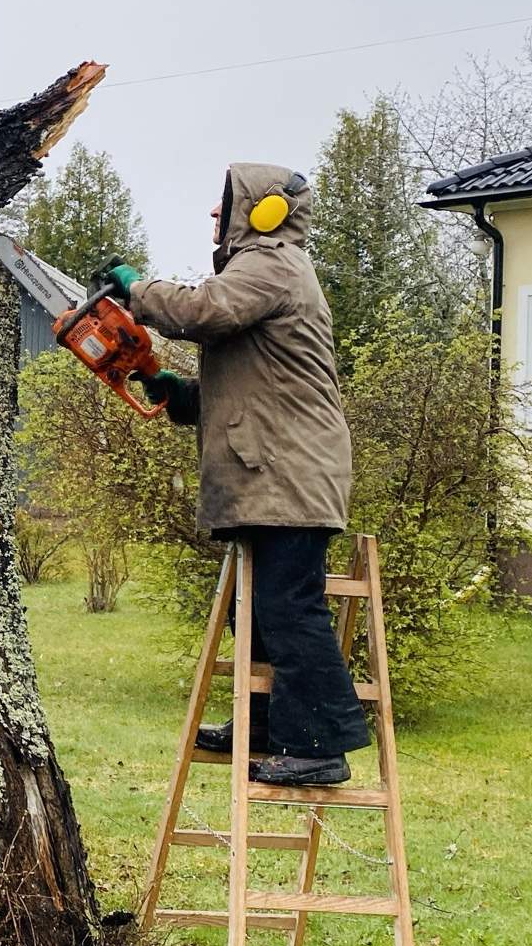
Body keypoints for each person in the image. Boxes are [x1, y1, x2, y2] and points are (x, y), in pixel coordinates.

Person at [101, 162, 368, 786]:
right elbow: (253, 389)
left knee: (289, 607)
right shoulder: (268, 274)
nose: (215, 216)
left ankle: (320, 747)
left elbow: (202, 311)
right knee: (254, 607)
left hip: (290, 476)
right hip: (272, 471)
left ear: (265, 212)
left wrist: (135, 290)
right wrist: (178, 392)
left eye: (226, 206)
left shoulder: (273, 263)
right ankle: (267, 725)